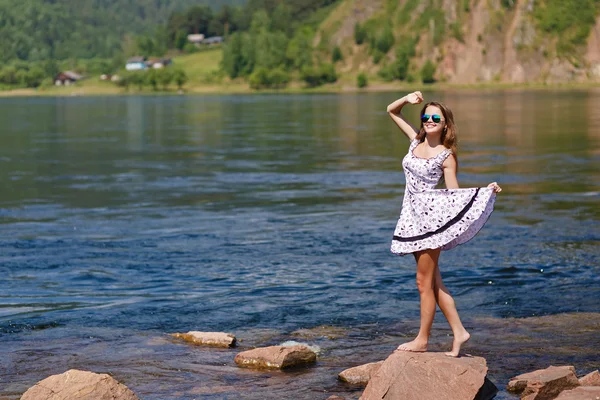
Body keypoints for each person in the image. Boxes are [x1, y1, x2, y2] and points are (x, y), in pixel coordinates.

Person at [387, 91, 502, 357]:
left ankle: (422, 340)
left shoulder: (446, 155)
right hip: (411, 218)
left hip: (431, 222)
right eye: (425, 116)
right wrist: (406, 99)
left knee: (422, 282)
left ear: (445, 123)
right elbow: (391, 111)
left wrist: (485, 192)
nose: (429, 120)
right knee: (434, 281)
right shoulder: (414, 141)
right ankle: (459, 331)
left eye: (435, 117)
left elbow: (454, 194)